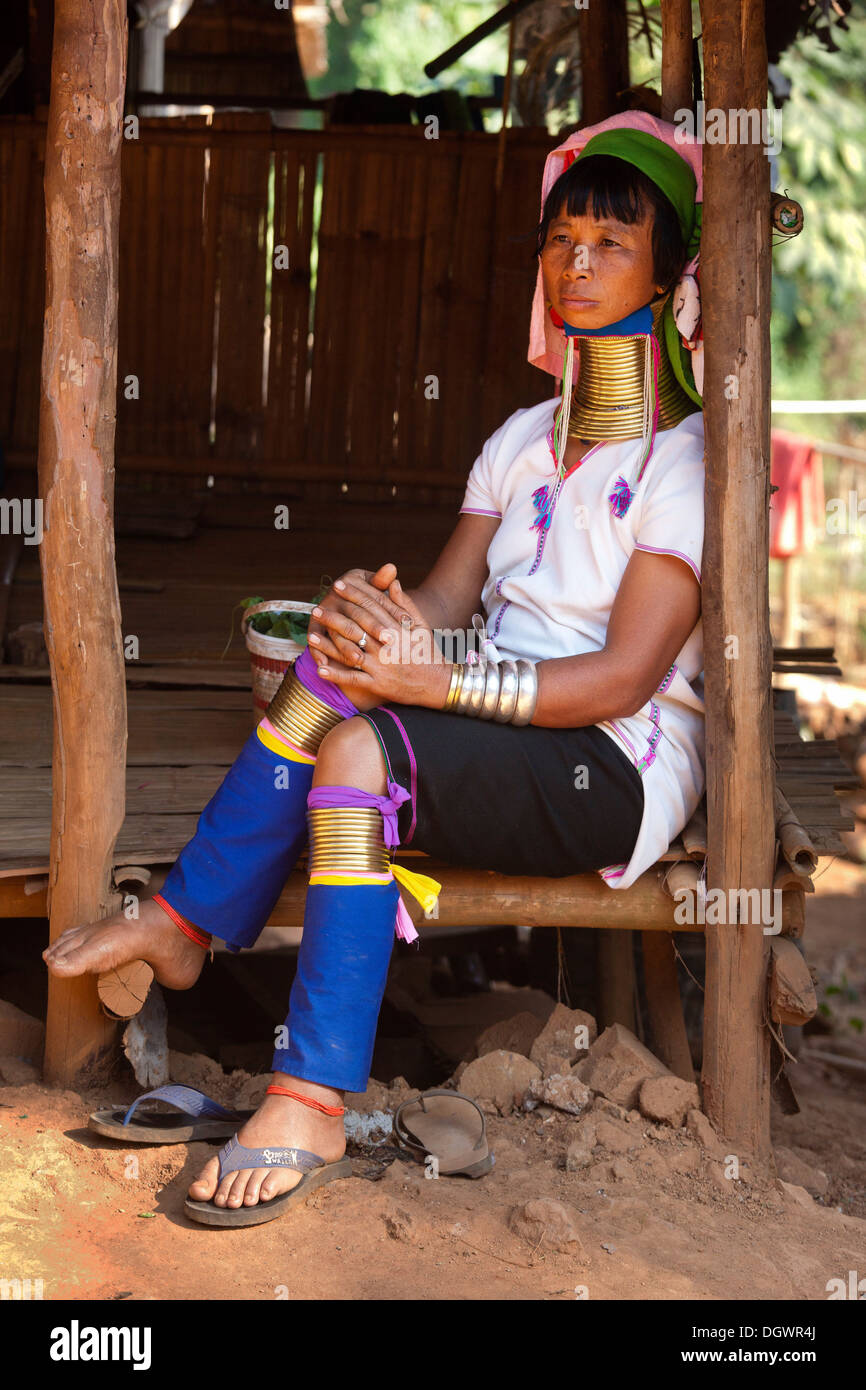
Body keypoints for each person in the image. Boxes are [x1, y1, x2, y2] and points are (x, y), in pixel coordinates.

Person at [44, 111, 707, 1224]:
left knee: (355, 745)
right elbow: (448, 602)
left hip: (609, 764)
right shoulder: (518, 440)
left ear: (668, 275)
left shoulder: (684, 466)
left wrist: (430, 682)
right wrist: (376, 615)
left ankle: (307, 1095)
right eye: (560, 242)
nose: (575, 264)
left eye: (610, 244)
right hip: (500, 727)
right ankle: (184, 923)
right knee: (337, 664)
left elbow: (617, 684)